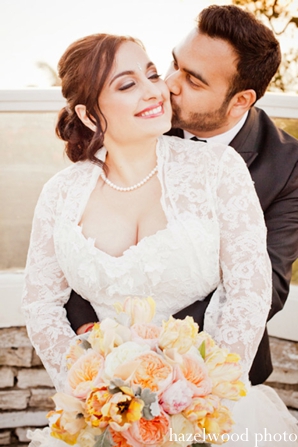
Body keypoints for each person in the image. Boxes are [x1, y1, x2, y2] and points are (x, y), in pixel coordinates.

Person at [22, 32, 298, 447]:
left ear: (242, 98)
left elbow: (251, 293)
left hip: (208, 407)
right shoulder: (61, 193)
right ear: (89, 113)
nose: (158, 88)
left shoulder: (219, 168)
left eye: (150, 74)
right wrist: (93, 387)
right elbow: (41, 303)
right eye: (128, 83)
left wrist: (194, 394)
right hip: (106, 412)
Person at [65, 4, 298, 387]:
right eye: (173, 63)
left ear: (240, 100)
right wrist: (100, 346)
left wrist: (152, 351)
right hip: (105, 365)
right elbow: (78, 243)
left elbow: (266, 287)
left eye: (194, 80)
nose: (168, 85)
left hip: (213, 373)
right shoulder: (139, 120)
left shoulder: (288, 166)